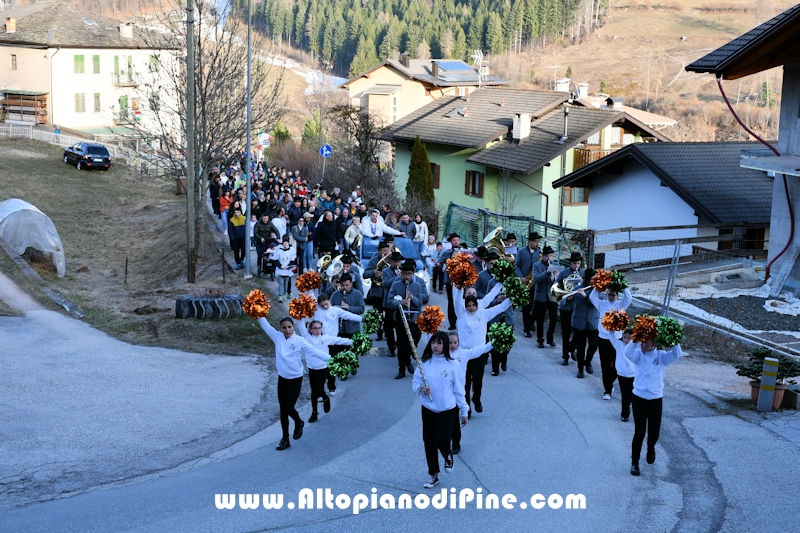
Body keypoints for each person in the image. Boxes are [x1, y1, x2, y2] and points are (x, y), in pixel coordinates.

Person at [257, 316, 331, 450]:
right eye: (284, 327)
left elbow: (315, 352)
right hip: (282, 378)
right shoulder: (277, 337)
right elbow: (266, 326)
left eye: (289, 327)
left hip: (296, 378)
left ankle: (299, 422)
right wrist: (258, 313)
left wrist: (332, 360)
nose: (287, 330)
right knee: (283, 411)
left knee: (288, 407)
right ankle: (285, 439)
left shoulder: (299, 341)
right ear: (280, 328)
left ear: (293, 327)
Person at [412, 331, 469, 489]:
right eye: (433, 343)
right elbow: (415, 383)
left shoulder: (453, 365)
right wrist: (423, 389)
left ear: (445, 345)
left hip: (447, 409)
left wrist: (464, 410)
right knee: (429, 442)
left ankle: (448, 455)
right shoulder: (424, 363)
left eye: (439, 343)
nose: (435, 346)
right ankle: (433, 474)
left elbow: (459, 390)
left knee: (441, 440)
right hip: (429, 409)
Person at [623, 334, 682, 476]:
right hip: (639, 397)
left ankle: (651, 448)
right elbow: (627, 352)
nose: (642, 345)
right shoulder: (638, 355)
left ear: (654, 343)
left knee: (654, 432)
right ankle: (634, 463)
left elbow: (677, 353)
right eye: (641, 342)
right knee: (639, 431)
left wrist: (673, 338)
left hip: (655, 399)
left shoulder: (661, 356)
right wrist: (635, 338)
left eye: (645, 342)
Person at [454, 282, 510, 415]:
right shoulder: (461, 313)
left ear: (477, 304)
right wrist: (458, 283)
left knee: (477, 380)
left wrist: (512, 296)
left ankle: (477, 399)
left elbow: (500, 307)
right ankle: (466, 407)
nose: (471, 308)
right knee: (465, 382)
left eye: (473, 305)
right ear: (465, 305)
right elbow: (456, 297)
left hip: (479, 353)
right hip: (463, 354)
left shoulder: (484, 313)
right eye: (469, 305)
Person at [295, 319, 353, 423]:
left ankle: (325, 398)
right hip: (312, 369)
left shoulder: (326, 338)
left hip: (323, 368)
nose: (317, 330)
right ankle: (314, 413)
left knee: (319, 389)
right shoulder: (307, 337)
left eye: (319, 328)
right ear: (310, 330)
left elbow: (339, 340)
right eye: (314, 328)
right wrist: (301, 315)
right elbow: (301, 325)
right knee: (314, 392)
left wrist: (353, 341)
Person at [447, 331, 492, 454]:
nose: (452, 345)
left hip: (457, 392)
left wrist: (495, 342)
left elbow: (480, 350)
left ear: (459, 343)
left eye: (455, 342)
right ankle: (443, 440)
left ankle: (456, 444)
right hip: (445, 393)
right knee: (446, 419)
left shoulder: (463, 353)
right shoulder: (441, 355)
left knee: (455, 419)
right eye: (450, 342)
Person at [590, 282, 633, 400]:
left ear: (617, 296)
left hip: (618, 339)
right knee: (605, 365)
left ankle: (610, 381)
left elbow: (629, 297)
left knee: (616, 364)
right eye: (609, 294)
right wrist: (599, 286)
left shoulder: (621, 305)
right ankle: (607, 390)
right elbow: (592, 297)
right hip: (603, 338)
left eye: (613, 295)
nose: (611, 297)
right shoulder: (602, 304)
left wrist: (623, 285)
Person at [387, 259, 429, 379]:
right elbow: (389, 301)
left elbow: (421, 302)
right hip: (400, 318)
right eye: (404, 273)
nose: (406, 276)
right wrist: (400, 302)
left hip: (414, 318)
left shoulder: (417, 285)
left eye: (409, 274)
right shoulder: (396, 285)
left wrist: (412, 298)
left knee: (411, 342)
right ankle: (401, 369)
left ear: (413, 273)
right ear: (401, 273)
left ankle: (408, 361)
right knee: (401, 343)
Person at [329, 272, 366, 379]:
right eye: (343, 285)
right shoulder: (335, 295)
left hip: (352, 327)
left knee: (352, 349)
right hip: (339, 328)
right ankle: (343, 371)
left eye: (347, 285)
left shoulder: (358, 294)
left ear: (351, 284)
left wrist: (349, 308)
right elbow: (330, 309)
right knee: (341, 350)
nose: (344, 287)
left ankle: (353, 364)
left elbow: (361, 309)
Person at [382, 253, 412, 372]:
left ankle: (404, 355)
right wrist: (397, 277)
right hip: (390, 306)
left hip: (402, 307)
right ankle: (391, 347)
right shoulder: (386, 271)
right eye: (395, 262)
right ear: (391, 262)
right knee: (389, 328)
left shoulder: (405, 275)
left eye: (399, 262)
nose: (397, 264)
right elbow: (385, 284)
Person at [556, 252, 585, 365]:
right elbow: (558, 289)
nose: (576, 266)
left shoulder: (583, 273)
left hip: (578, 307)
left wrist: (581, 282)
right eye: (574, 264)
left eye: (578, 263)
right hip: (566, 307)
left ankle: (572, 347)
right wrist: (567, 298)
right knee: (566, 332)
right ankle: (565, 356)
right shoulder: (563, 273)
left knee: (578, 332)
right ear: (570, 263)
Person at [513, 232, 542, 337]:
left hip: (537, 284)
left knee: (538, 306)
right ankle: (527, 329)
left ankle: (531, 321)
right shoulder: (521, 252)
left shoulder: (540, 253)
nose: (536, 243)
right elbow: (516, 266)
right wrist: (521, 277)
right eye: (535, 241)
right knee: (526, 307)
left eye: (538, 241)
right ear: (530, 241)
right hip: (525, 283)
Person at [570, 270, 599, 379]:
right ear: (587, 279)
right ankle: (580, 369)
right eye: (592, 279)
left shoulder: (599, 290)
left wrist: (585, 296)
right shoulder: (578, 288)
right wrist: (568, 299)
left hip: (593, 322)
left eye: (595, 278)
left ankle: (588, 362)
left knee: (593, 344)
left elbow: (595, 303)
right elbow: (564, 301)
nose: (594, 281)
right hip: (579, 322)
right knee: (581, 347)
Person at [363, 241, 392, 346]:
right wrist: (373, 272)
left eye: (385, 250)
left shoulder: (391, 260)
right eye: (381, 250)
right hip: (377, 292)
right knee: (378, 313)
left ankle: (388, 332)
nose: (383, 253)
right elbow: (365, 274)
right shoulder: (373, 260)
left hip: (388, 292)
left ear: (388, 250)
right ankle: (379, 332)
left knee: (389, 314)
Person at [532, 245, 560, 349]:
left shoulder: (556, 265)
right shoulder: (537, 265)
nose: (549, 258)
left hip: (552, 296)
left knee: (553, 318)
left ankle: (550, 337)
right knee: (540, 319)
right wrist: (547, 272)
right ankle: (540, 340)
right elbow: (536, 279)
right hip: (541, 297)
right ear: (543, 256)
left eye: (551, 256)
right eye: (547, 256)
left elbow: (559, 281)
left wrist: (556, 276)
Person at [438, 233, 462, 330]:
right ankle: (452, 322)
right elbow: (440, 263)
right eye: (454, 240)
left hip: (462, 281)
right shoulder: (447, 252)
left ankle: (462, 321)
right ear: (451, 242)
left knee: (462, 302)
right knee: (451, 302)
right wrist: (438, 265)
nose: (456, 242)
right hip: (450, 281)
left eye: (457, 240)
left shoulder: (463, 251)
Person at [612, 328, 635, 422]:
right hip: (621, 375)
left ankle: (628, 406)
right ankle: (624, 414)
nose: (626, 339)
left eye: (629, 338)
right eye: (624, 337)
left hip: (633, 375)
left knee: (632, 395)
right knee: (624, 395)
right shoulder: (619, 345)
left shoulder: (636, 346)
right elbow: (611, 337)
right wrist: (611, 327)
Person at [271, 236, 296, 302]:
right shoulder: (279, 251)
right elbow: (276, 260)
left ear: (288, 243)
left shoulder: (290, 251)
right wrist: (280, 266)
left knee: (286, 283)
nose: (285, 244)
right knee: (281, 283)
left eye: (286, 243)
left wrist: (288, 266)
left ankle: (285, 293)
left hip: (287, 271)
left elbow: (292, 260)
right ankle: (280, 295)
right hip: (280, 271)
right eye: (284, 243)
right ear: (282, 243)